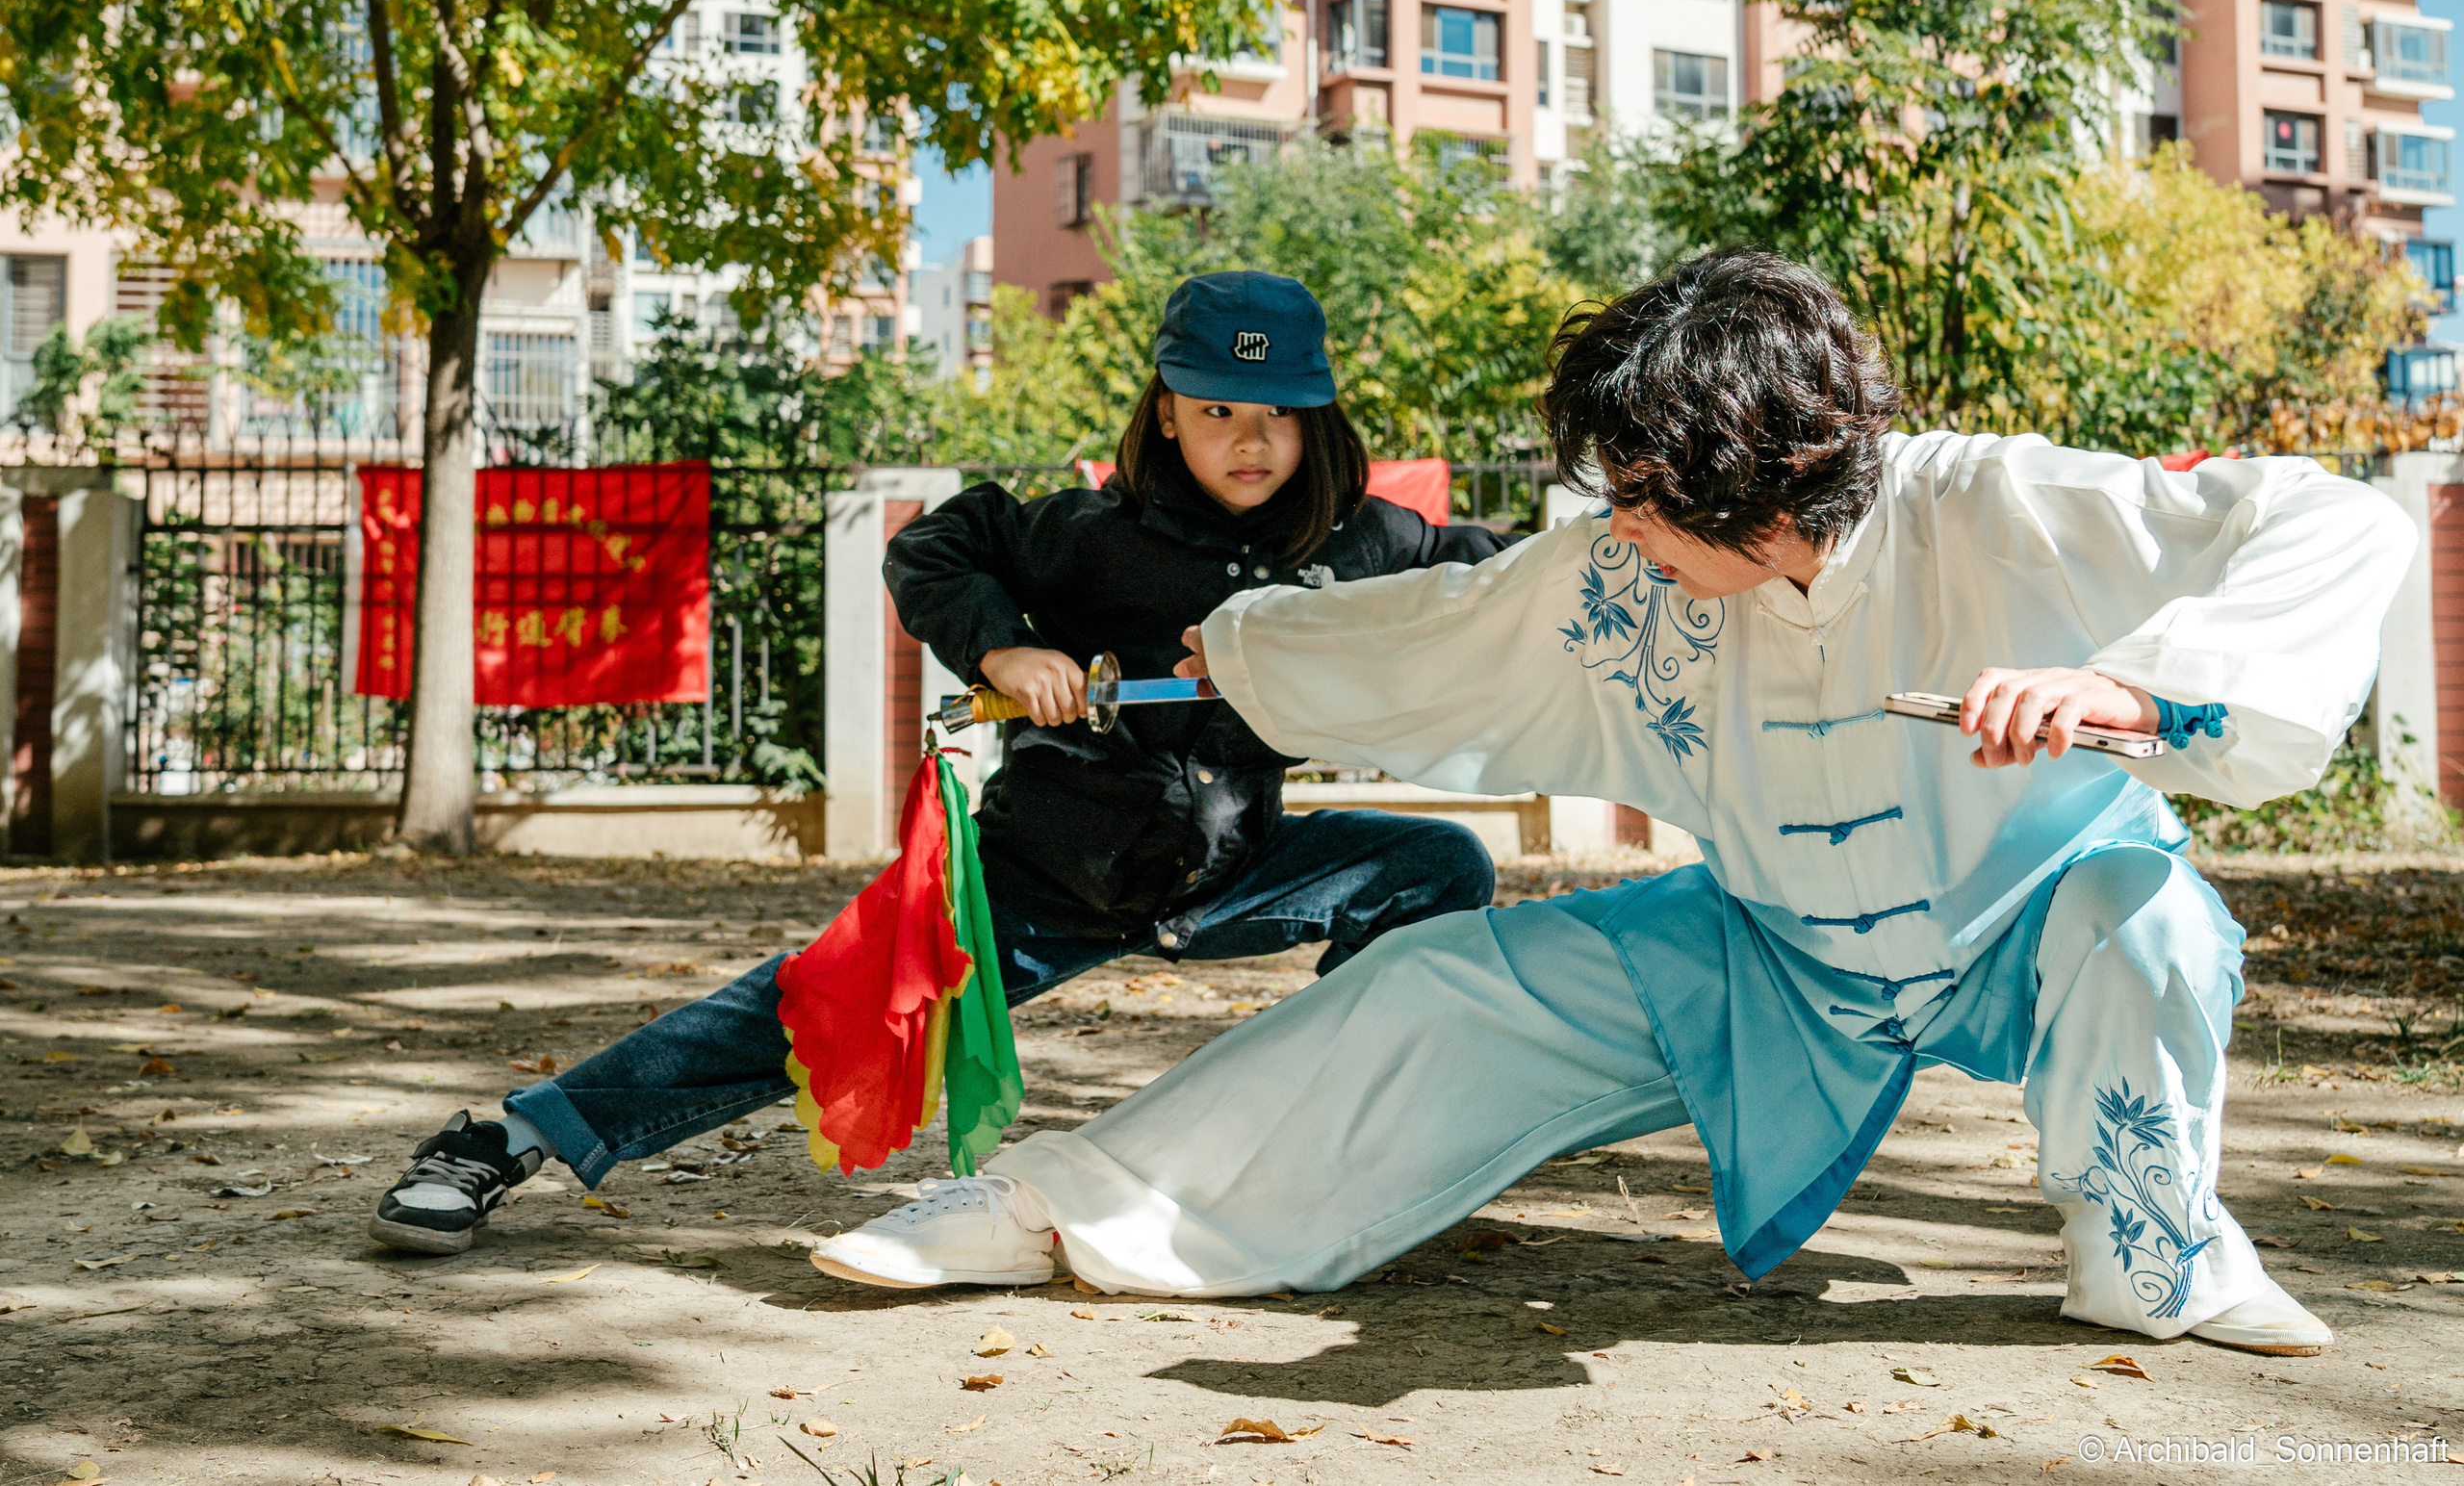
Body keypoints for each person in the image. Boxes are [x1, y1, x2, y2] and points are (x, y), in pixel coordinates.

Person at [808, 248, 2410, 1358]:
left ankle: (2158, 1250)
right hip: (1769, 949)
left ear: (1766, 482)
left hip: (2029, 920)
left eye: (1643, 497)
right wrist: (1231, 647)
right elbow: (1440, 626)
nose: (1614, 528)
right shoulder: (1622, 569)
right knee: (1441, 982)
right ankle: (1055, 1209)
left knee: (2152, 916)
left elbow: (2331, 525)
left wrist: (2134, 690)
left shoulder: (2005, 505)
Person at [367, 270, 1512, 1256]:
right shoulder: (1082, 535)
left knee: (1435, 863)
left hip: (1242, 871)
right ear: (1166, 414)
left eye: (1278, 414)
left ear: (1318, 419)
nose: (1249, 441)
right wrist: (1007, 644)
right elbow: (935, 543)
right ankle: (507, 1136)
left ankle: (1343, 1142)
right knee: (805, 1008)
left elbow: (1492, 575)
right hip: (1034, 887)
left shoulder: (1361, 545)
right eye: (1217, 410)